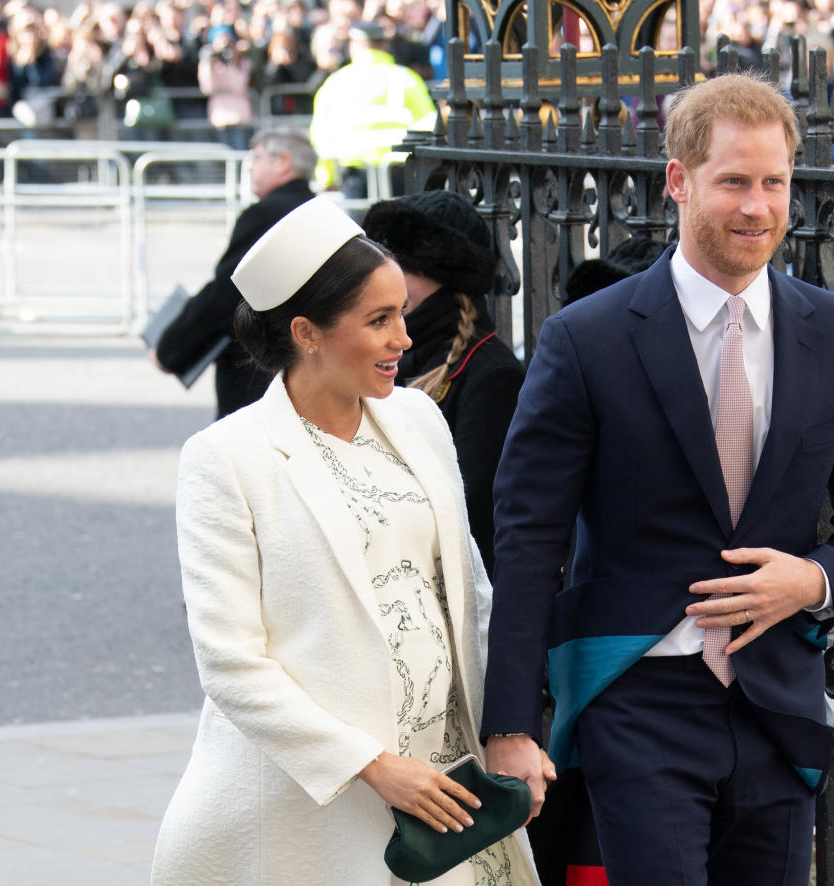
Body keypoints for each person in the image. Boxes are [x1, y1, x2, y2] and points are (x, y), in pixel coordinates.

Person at [480, 72, 834, 885]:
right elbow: (529, 537)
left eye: (775, 183)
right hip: (637, 698)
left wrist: (815, 579)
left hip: (778, 701)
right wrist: (509, 723)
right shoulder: (586, 339)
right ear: (679, 181)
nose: (758, 208)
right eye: (734, 183)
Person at [150, 193, 542, 885]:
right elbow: (230, 663)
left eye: (401, 312)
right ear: (307, 332)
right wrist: (375, 768)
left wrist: (510, 731)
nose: (403, 335)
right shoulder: (226, 457)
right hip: (311, 810)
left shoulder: (418, 419)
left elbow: (470, 596)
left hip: (448, 796)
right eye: (379, 319)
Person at [361, 189, 525, 575]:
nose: (382, 278)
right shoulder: (391, 355)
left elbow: (468, 513)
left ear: (441, 275)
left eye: (399, 264)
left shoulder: (491, 375)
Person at [152, 127, 314, 418]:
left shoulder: (264, 215)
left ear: (283, 161)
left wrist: (170, 349)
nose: (251, 166)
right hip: (310, 365)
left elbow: (227, 293)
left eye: (258, 157)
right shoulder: (322, 212)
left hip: (257, 370)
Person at [308, 19, 436, 198]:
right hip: (400, 177)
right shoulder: (406, 79)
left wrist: (326, 177)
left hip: (354, 178)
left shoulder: (336, 83)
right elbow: (429, 124)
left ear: (354, 46)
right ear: (384, 45)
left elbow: (322, 136)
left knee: (355, 226)